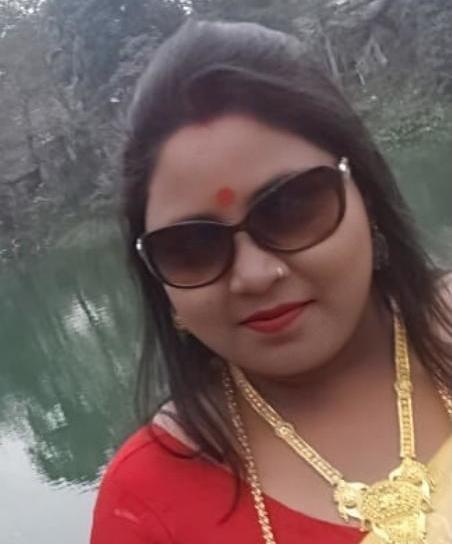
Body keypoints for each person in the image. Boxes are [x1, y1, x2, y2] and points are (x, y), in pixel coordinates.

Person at [90, 19, 452, 544]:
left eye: (293, 209)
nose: (255, 275)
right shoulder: (148, 502)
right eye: (192, 248)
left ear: (366, 196)